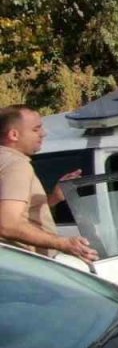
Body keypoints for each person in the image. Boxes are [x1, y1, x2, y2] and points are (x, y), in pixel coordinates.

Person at [0, 105, 98, 262]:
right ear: (14, 134)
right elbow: (8, 224)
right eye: (36, 129)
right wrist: (63, 243)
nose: (43, 133)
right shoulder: (15, 165)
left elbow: (16, 209)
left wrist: (53, 198)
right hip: (23, 265)